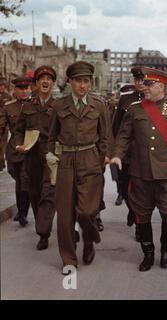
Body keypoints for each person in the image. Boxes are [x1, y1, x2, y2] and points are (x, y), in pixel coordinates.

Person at [111, 67, 167, 272]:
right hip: (141, 172)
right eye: (143, 84)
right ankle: (148, 252)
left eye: (148, 84)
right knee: (142, 215)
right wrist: (117, 155)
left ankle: (166, 248)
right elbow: (123, 136)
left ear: (160, 86)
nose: (143, 87)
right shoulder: (135, 108)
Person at [47, 61, 109, 274]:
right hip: (66, 159)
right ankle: (69, 260)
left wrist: (100, 163)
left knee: (86, 211)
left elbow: (105, 138)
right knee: (64, 214)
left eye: (86, 81)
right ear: (70, 82)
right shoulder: (59, 106)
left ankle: (89, 238)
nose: (83, 86)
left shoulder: (99, 105)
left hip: (90, 157)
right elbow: (51, 135)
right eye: (79, 81)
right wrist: (50, 155)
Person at [15, 66, 57, 250]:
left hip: (51, 156)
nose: (45, 81)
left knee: (49, 192)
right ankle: (44, 228)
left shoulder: (59, 106)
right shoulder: (28, 106)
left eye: (49, 79)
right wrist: (18, 144)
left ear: (53, 83)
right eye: (42, 79)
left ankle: (43, 232)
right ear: (37, 84)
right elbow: (18, 130)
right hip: (31, 156)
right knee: (34, 193)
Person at [111, 69, 145, 228]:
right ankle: (131, 209)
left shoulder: (151, 99)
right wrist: (115, 149)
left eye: (142, 80)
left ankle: (138, 219)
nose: (139, 83)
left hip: (143, 153)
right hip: (126, 152)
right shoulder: (125, 99)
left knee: (140, 189)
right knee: (124, 186)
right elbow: (116, 126)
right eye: (137, 79)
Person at [1, 77, 33, 226]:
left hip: (30, 148)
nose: (24, 91)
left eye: (27, 88)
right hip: (14, 150)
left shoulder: (35, 106)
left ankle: (22, 213)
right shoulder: (9, 107)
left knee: (24, 180)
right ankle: (22, 209)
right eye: (21, 89)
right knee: (19, 180)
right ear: (15, 90)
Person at [0, 76, 13, 171]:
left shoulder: (8, 97)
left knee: (2, 144)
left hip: (4, 124)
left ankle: (1, 162)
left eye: (3, 86)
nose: (2, 87)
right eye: (0, 86)